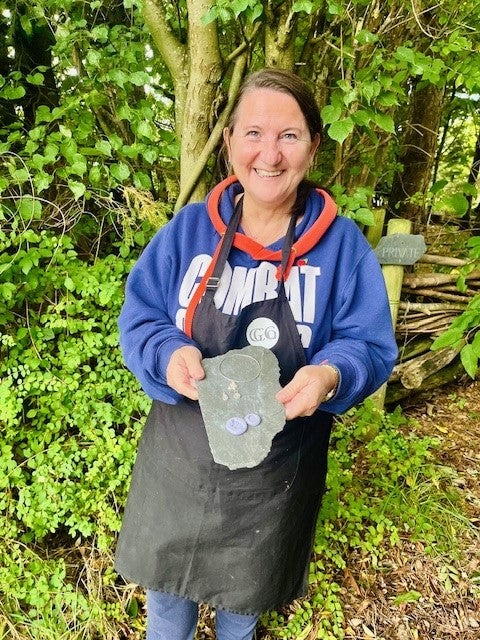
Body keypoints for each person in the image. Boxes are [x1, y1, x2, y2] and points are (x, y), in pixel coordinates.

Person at [115, 68, 398, 640]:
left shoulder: (343, 249)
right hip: (180, 469)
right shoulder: (186, 234)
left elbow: (367, 343)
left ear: (314, 146)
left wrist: (328, 374)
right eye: (253, 133)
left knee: (241, 616)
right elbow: (141, 317)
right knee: (168, 614)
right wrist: (168, 352)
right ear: (229, 143)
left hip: (271, 484)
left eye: (289, 135)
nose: (269, 153)